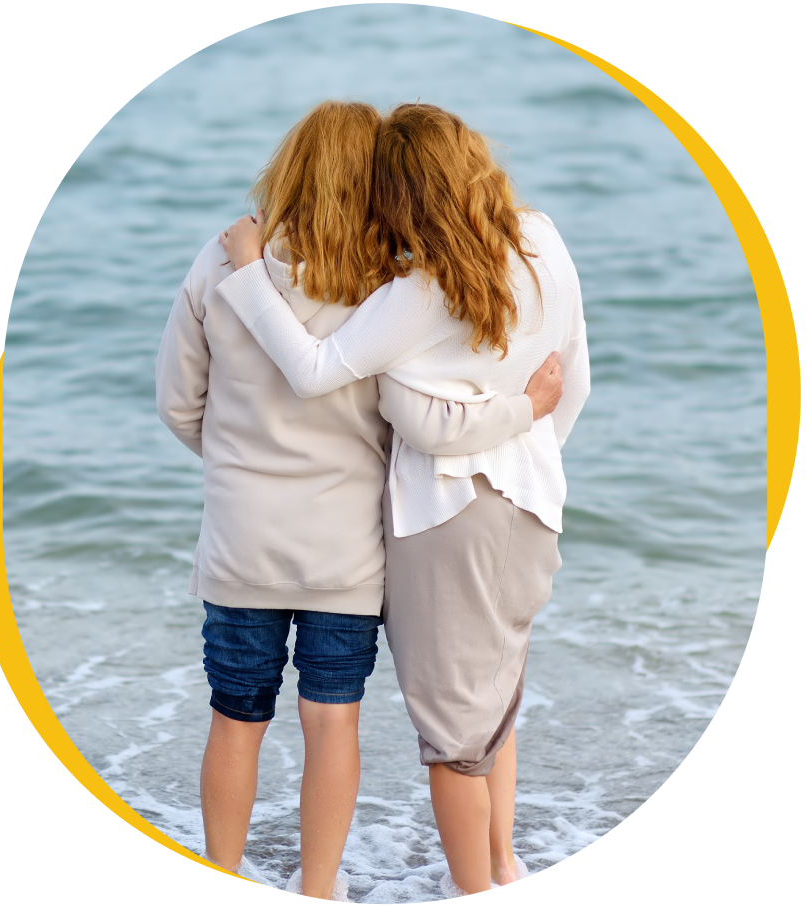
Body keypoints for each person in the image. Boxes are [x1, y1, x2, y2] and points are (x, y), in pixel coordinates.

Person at [157, 100, 562, 899]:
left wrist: (240, 464)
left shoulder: (220, 262)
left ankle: (224, 868)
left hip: (242, 543)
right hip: (347, 551)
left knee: (236, 715)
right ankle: (319, 886)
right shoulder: (390, 282)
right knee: (331, 719)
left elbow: (177, 404)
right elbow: (412, 415)